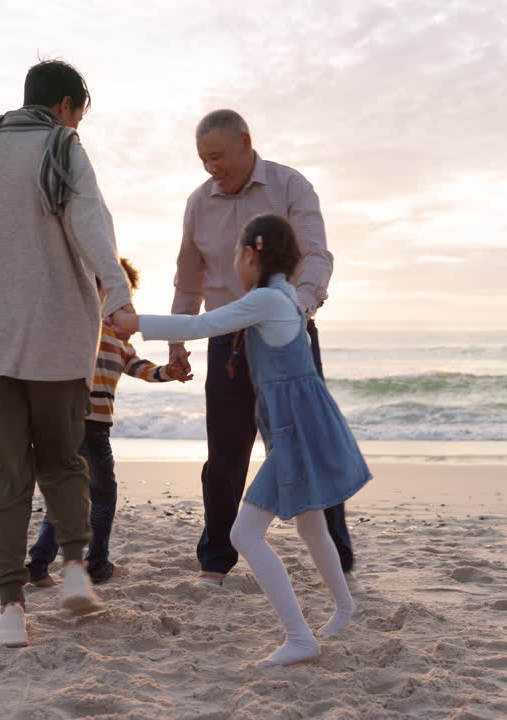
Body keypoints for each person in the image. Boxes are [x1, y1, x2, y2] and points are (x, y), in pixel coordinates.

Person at [112, 213, 370, 667]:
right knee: (311, 522)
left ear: (252, 253)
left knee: (244, 534)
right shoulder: (284, 295)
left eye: (236, 253)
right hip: (301, 425)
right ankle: (344, 606)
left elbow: (201, 326)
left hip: (295, 431)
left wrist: (134, 322)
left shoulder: (268, 300)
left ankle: (299, 637)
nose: (233, 261)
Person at [0, 59, 133, 648]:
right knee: (63, 459)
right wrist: (119, 295)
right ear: (66, 107)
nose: (78, 124)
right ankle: (76, 568)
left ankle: (10, 611)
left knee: (2, 476)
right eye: (79, 114)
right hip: (55, 332)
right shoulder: (62, 146)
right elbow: (91, 221)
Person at [168, 109, 355, 588]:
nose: (212, 167)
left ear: (246, 143)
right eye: (204, 159)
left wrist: (302, 304)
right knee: (224, 454)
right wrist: (177, 342)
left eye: (218, 156)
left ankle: (338, 556)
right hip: (227, 340)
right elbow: (189, 278)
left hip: (287, 332)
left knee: (304, 445)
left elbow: (316, 253)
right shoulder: (198, 203)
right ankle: (215, 562)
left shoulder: (290, 186)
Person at [26, 259, 192, 587]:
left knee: (68, 496)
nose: (119, 301)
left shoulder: (117, 337)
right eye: (113, 291)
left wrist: (167, 372)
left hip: (91, 425)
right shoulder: (81, 322)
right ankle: (96, 564)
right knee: (103, 496)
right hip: (78, 423)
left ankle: (37, 566)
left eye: (125, 295)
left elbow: (137, 366)